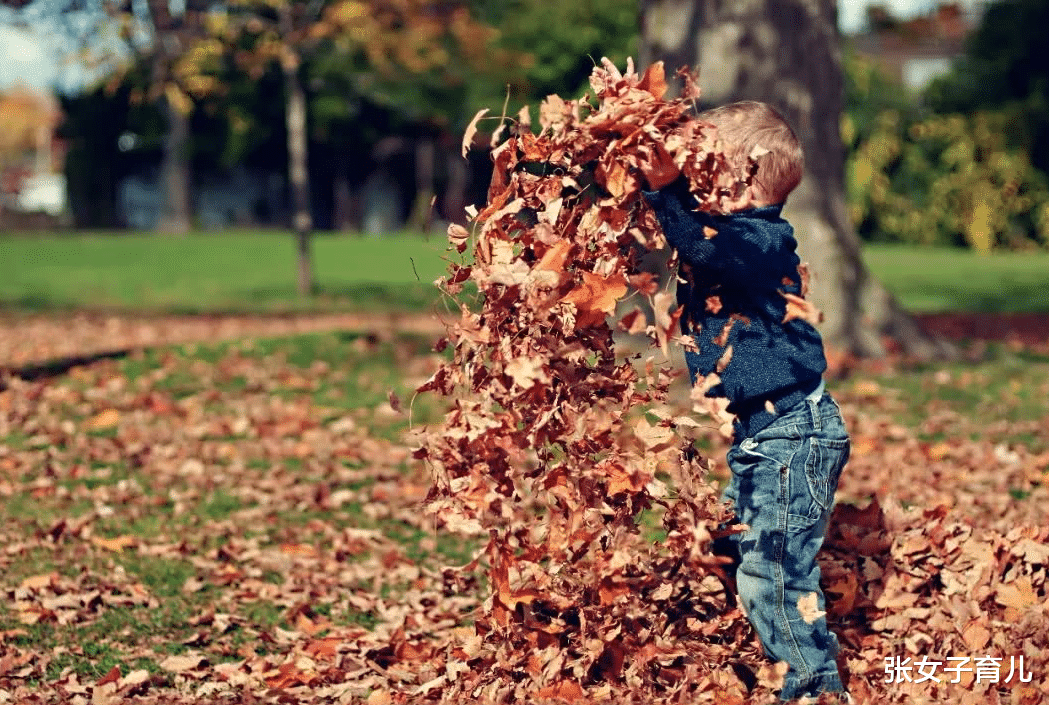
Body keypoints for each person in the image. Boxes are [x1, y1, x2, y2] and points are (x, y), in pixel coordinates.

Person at [643, 101, 852, 702]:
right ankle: (748, 642)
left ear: (744, 182)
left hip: (793, 436)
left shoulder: (760, 241)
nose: (692, 185)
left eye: (704, 173)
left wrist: (664, 193)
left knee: (774, 575)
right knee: (731, 542)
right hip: (766, 438)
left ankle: (815, 688)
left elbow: (704, 247)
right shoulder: (737, 238)